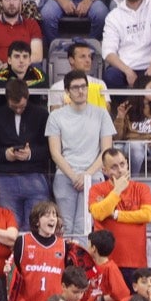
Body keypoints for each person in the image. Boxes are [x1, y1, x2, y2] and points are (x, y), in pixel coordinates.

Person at [47, 70, 116, 238]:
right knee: (64, 226)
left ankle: (80, 264)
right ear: (67, 91)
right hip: (65, 175)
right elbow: (55, 152)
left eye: (84, 87)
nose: (81, 91)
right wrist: (73, 176)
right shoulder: (56, 116)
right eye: (76, 87)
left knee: (84, 227)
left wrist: (86, 175)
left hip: (93, 175)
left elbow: (106, 151)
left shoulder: (101, 114)